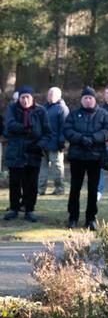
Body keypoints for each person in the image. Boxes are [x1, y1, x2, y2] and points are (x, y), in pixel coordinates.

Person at [63, 86, 108, 230]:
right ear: (81, 100)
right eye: (85, 98)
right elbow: (67, 130)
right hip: (77, 156)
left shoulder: (103, 114)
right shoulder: (73, 114)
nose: (88, 100)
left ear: (95, 99)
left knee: (93, 189)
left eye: (90, 98)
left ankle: (91, 219)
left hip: (95, 157)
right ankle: (72, 217)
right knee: (75, 188)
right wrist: (81, 138)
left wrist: (93, 138)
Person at [3, 86, 51, 222]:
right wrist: (25, 128)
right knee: (15, 183)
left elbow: (47, 133)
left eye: (27, 97)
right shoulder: (12, 109)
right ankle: (14, 208)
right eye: (22, 97)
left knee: (31, 183)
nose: (25, 100)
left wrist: (39, 145)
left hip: (33, 152)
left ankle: (29, 209)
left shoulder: (40, 111)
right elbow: (9, 126)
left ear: (32, 98)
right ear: (19, 98)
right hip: (15, 152)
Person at [39, 87, 68, 195]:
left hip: (56, 143)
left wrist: (61, 142)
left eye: (52, 94)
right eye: (49, 93)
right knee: (42, 168)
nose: (50, 96)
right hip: (43, 143)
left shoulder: (62, 108)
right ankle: (40, 189)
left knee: (57, 168)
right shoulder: (43, 107)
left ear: (59, 96)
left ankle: (59, 189)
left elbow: (64, 127)